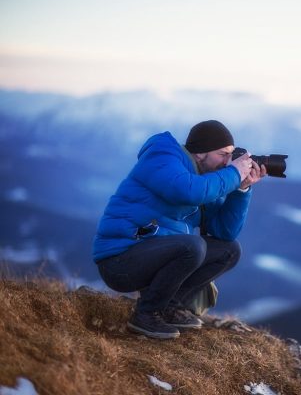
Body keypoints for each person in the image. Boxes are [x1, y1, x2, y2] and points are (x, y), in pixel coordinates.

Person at [92, 120, 266, 339]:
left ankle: (170, 306)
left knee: (229, 250)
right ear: (201, 153)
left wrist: (241, 189)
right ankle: (146, 315)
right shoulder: (163, 157)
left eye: (231, 155)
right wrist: (233, 173)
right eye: (223, 154)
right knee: (192, 246)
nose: (227, 161)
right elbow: (188, 192)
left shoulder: (203, 179)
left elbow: (225, 231)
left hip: (150, 255)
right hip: (120, 261)